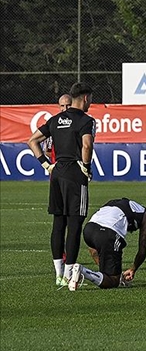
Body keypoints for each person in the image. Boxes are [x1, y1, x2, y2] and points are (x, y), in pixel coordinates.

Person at [27, 83, 95, 287]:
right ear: (85, 98)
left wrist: (46, 165)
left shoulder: (55, 120)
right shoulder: (86, 120)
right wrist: (86, 166)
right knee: (74, 225)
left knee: (58, 223)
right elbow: (86, 145)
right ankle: (68, 274)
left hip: (56, 174)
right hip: (75, 173)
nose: (90, 103)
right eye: (90, 99)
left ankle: (58, 273)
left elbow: (32, 141)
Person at [67, 198, 146, 291]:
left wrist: (108, 269)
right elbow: (142, 249)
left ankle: (99, 275)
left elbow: (93, 249)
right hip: (108, 233)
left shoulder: (112, 204)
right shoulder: (145, 216)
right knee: (114, 281)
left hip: (89, 229)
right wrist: (133, 269)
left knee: (106, 270)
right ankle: (83, 271)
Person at [44, 94, 72, 163]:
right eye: (62, 106)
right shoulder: (53, 124)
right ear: (59, 106)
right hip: (58, 166)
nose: (65, 108)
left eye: (68, 105)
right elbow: (47, 151)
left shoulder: (79, 122)